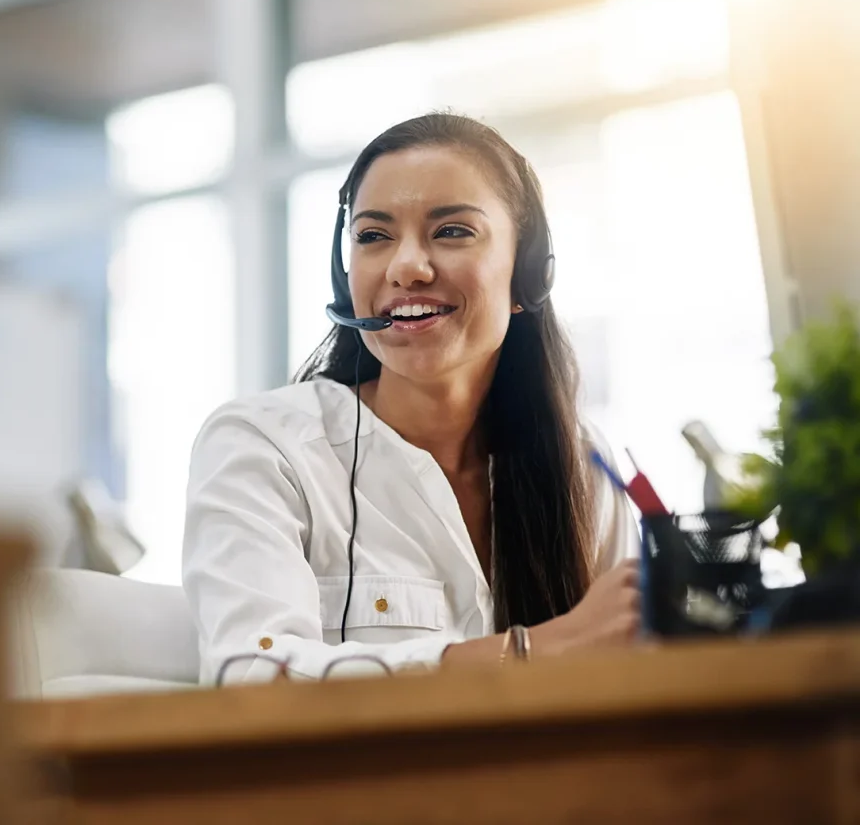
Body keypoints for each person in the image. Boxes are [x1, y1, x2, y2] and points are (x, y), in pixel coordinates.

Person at [183, 112, 640, 685]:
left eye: (452, 231)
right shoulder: (265, 446)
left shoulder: (584, 464)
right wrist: (529, 652)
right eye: (374, 236)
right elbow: (248, 677)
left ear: (526, 275)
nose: (407, 267)